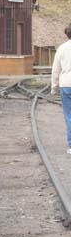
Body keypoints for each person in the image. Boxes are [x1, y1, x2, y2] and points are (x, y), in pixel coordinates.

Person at [51, 23, 71, 154]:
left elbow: (55, 69)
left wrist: (54, 87)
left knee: (69, 116)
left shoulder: (62, 48)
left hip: (66, 85)